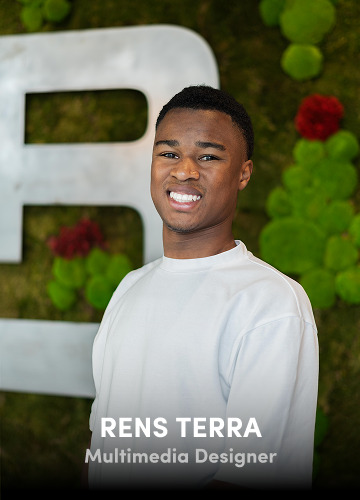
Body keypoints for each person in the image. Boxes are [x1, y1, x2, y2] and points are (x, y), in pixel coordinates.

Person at [85, 85, 319, 490]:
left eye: (208, 156)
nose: (184, 170)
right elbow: (104, 442)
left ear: (243, 173)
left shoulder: (271, 303)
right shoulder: (130, 288)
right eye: (169, 153)